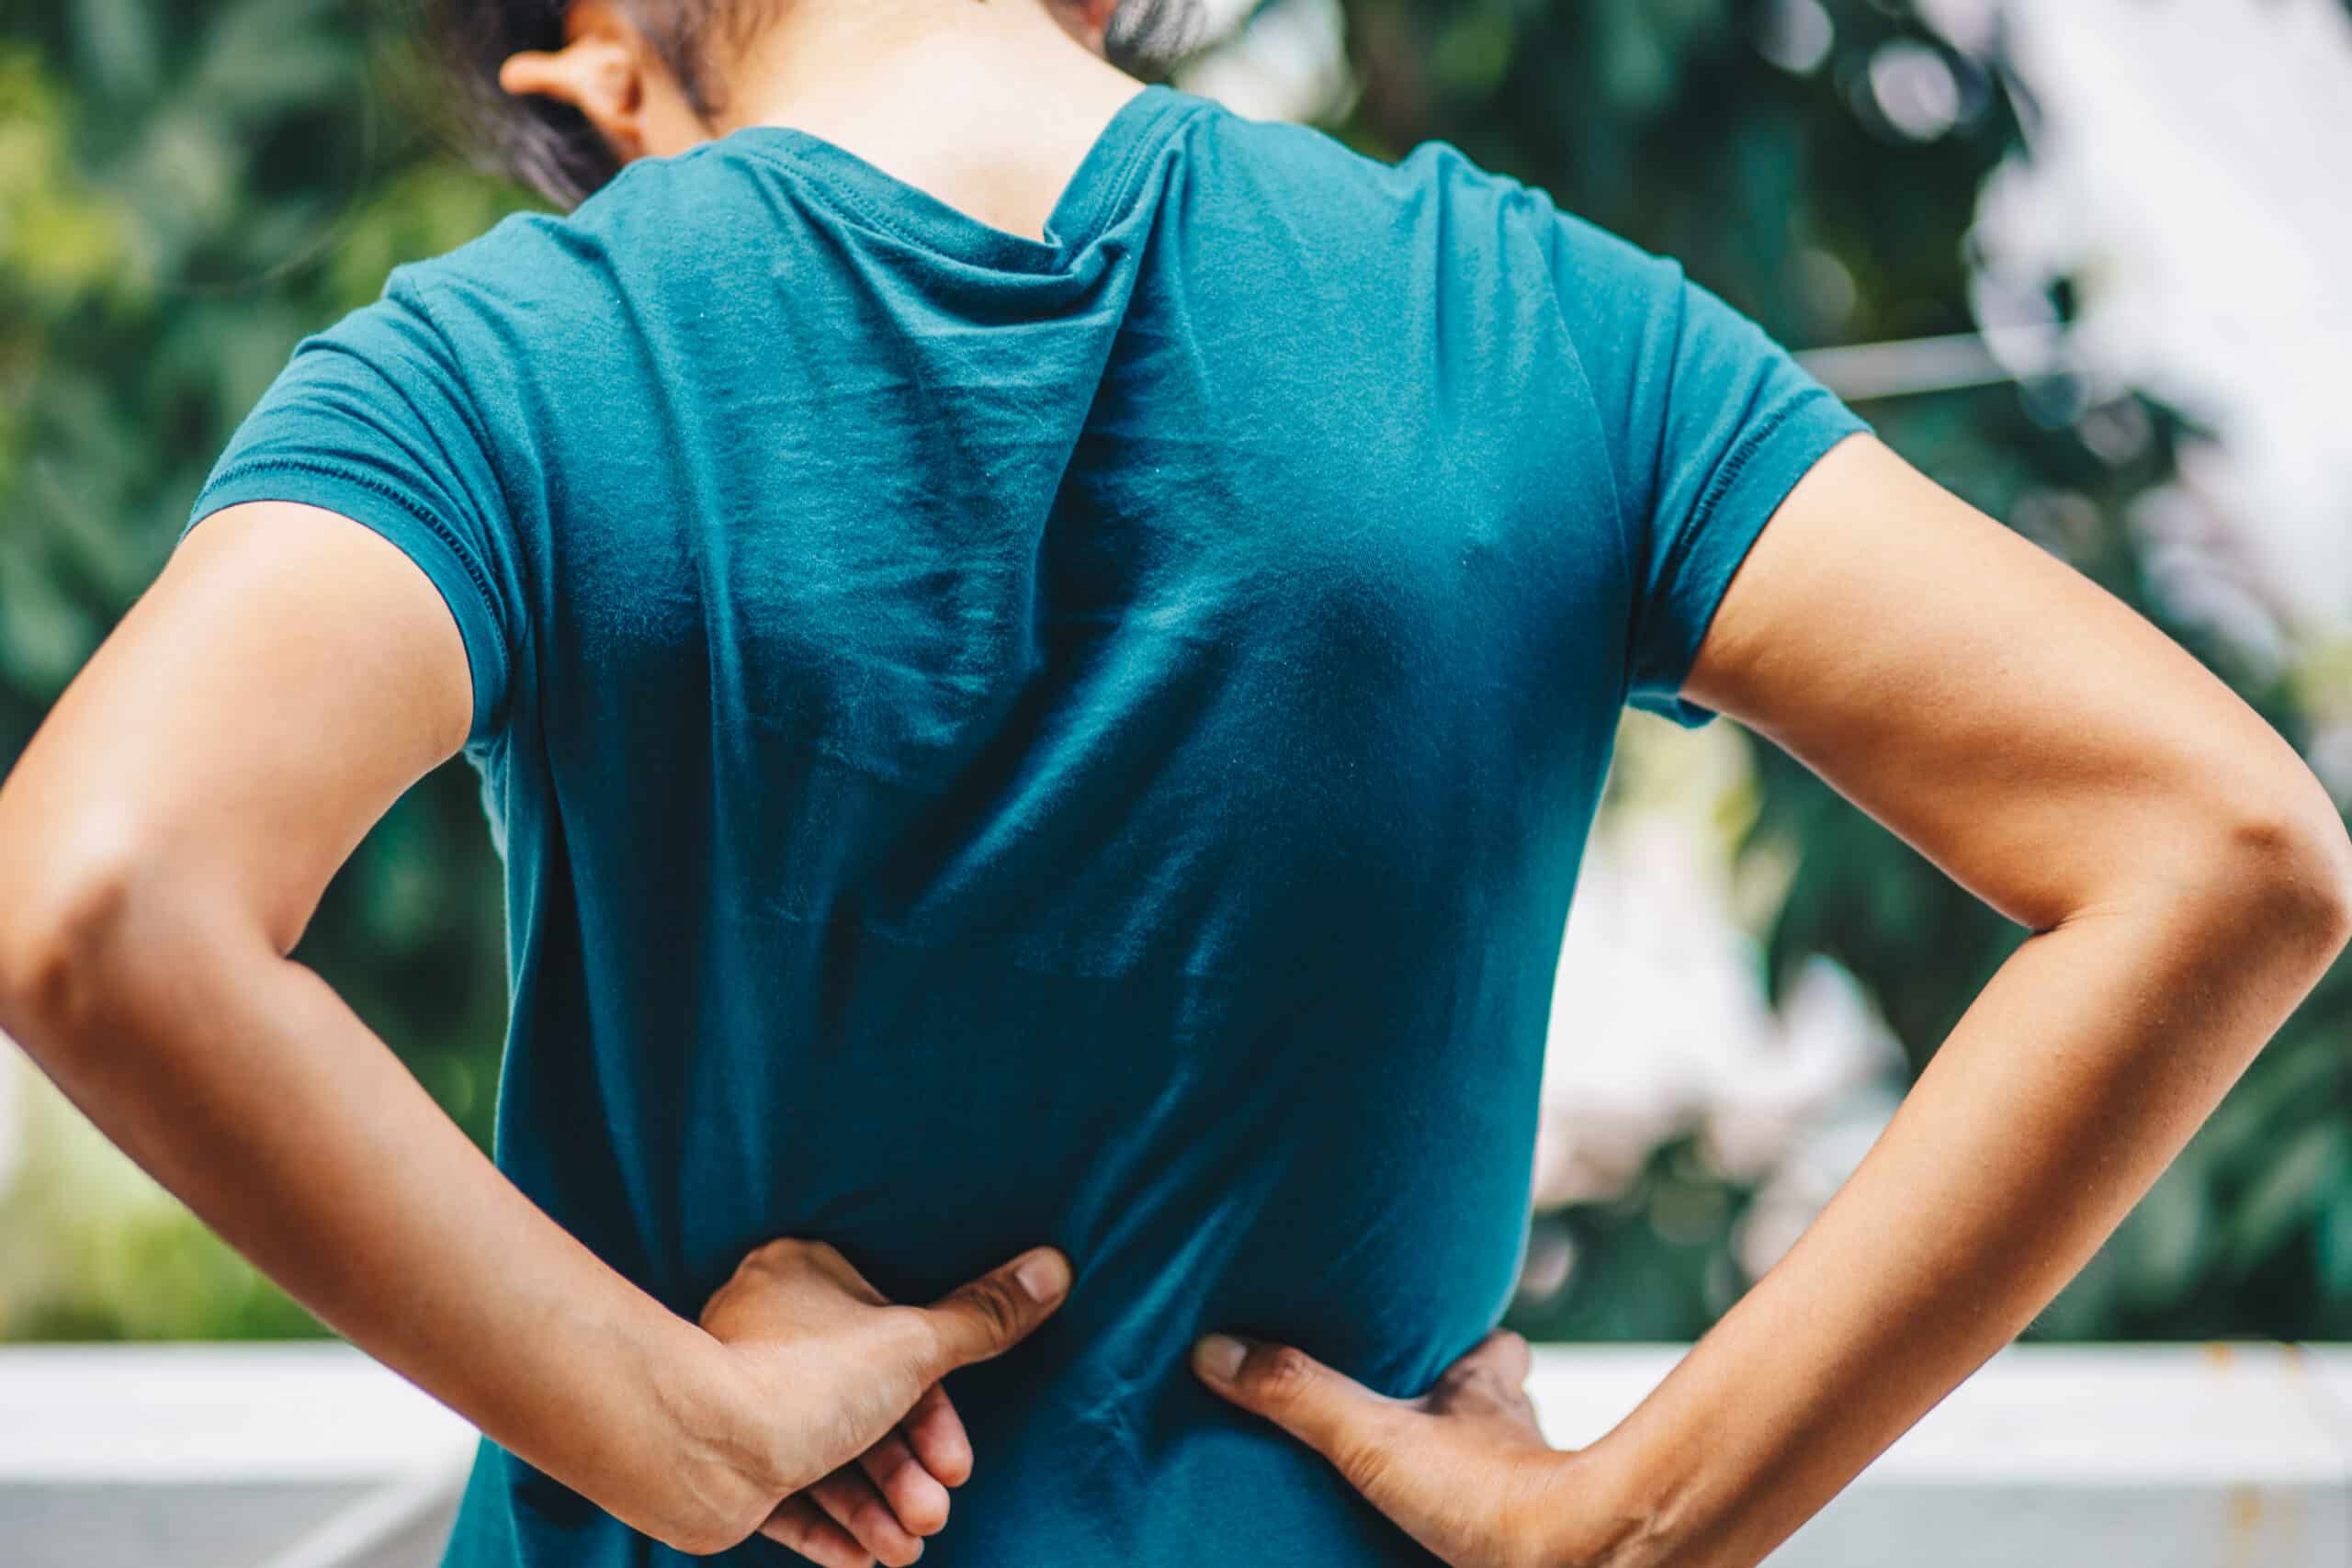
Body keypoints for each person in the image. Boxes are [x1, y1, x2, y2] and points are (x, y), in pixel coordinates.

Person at [1, 0, 2346, 1564]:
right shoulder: (1531, 328)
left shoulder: (520, 362)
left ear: (598, 52)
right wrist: (1652, 1513)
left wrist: (664, 1419)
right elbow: (2220, 847)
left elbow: (103, 904)